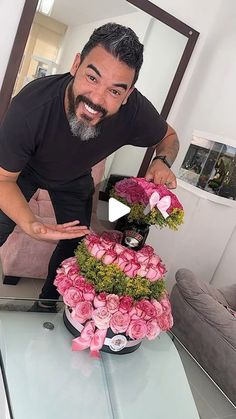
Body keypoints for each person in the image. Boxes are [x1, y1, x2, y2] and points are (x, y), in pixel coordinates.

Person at [0, 23, 179, 311]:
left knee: (76, 243)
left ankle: (45, 305)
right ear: (75, 64)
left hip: (73, 177)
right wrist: (31, 223)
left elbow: (169, 137)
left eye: (114, 91)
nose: (96, 99)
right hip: (23, 171)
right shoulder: (31, 107)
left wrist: (162, 160)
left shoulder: (135, 112)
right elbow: (3, 180)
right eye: (92, 77)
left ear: (128, 94)